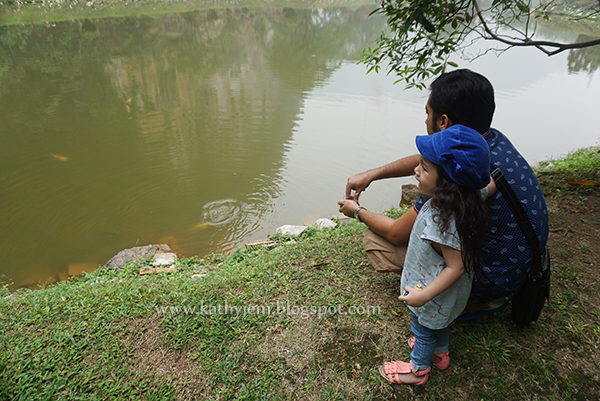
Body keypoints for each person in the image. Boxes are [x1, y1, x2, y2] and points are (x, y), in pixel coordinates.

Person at [337, 69, 549, 316]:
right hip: (524, 265)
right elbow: (430, 158)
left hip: (493, 278)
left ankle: (472, 301)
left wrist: (357, 211)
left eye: (427, 113)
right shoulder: (489, 143)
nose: (426, 120)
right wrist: (374, 174)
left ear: (443, 122)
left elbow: (396, 233)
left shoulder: (452, 185)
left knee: (376, 242)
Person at [379, 124, 493, 385]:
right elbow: (489, 184)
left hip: (431, 292)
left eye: (425, 168)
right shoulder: (468, 195)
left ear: (447, 183)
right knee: (436, 325)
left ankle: (418, 370)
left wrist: (423, 296)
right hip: (445, 296)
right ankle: (440, 355)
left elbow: (456, 267)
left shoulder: (443, 222)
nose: (416, 170)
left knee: (423, 327)